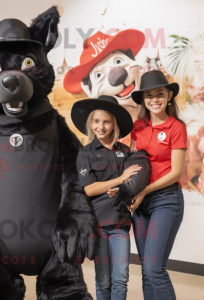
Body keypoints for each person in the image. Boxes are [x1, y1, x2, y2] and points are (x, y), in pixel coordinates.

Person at [71, 95, 142, 300]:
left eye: (106, 121)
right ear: (90, 124)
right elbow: (90, 189)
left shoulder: (126, 151)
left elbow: (133, 182)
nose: (100, 126)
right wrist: (120, 179)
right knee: (103, 280)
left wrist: (126, 187)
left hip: (121, 223)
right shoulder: (85, 153)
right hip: (98, 225)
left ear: (114, 125)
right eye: (96, 121)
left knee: (121, 278)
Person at [127, 70, 187, 300]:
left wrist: (143, 191)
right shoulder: (138, 126)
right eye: (149, 95)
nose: (154, 99)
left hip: (166, 200)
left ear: (169, 95)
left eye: (159, 94)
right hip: (140, 204)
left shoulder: (176, 127)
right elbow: (134, 161)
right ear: (143, 99)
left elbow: (176, 173)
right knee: (146, 270)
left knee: (155, 270)